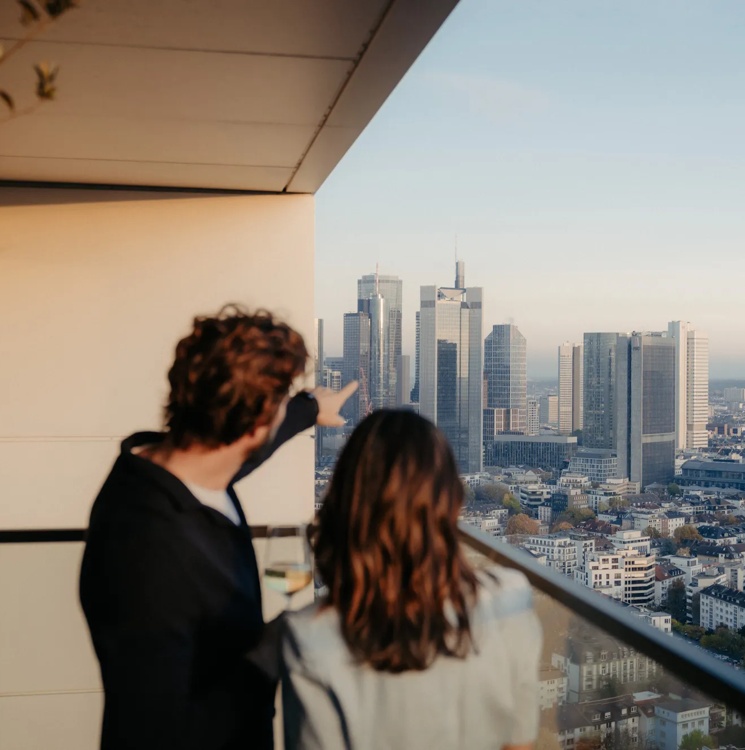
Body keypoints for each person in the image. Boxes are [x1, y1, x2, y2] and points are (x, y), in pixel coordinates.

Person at [79, 305, 357, 750]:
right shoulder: (146, 551)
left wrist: (308, 409)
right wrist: (277, 642)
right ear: (250, 425)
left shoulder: (170, 471)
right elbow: (154, 734)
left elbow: (244, 450)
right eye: (280, 401)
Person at [281, 410, 542, 750]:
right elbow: (519, 744)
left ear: (345, 504)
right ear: (450, 501)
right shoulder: (509, 601)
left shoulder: (309, 638)